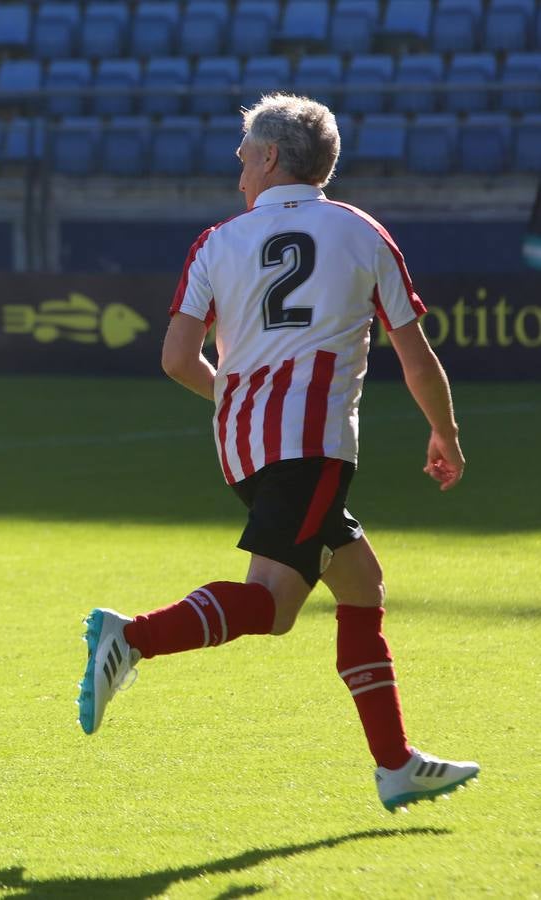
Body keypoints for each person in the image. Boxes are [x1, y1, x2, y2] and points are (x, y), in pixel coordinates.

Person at [78, 94, 479, 812]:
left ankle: (395, 765)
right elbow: (417, 360)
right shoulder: (361, 233)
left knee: (361, 586)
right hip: (314, 447)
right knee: (272, 604)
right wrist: (444, 432)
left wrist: (237, 400)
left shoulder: (215, 242)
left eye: (243, 153)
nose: (237, 167)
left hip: (242, 449)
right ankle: (130, 637)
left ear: (269, 157)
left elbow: (177, 358)